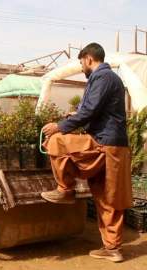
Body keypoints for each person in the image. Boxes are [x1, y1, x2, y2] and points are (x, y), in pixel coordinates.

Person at [41, 43, 132, 263]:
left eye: (82, 62)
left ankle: (65, 189)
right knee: (105, 197)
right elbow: (94, 110)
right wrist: (79, 114)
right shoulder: (110, 78)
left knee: (56, 141)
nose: (82, 67)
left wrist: (61, 125)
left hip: (105, 143)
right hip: (113, 145)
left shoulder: (102, 77)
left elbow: (90, 110)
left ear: (89, 58)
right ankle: (113, 249)